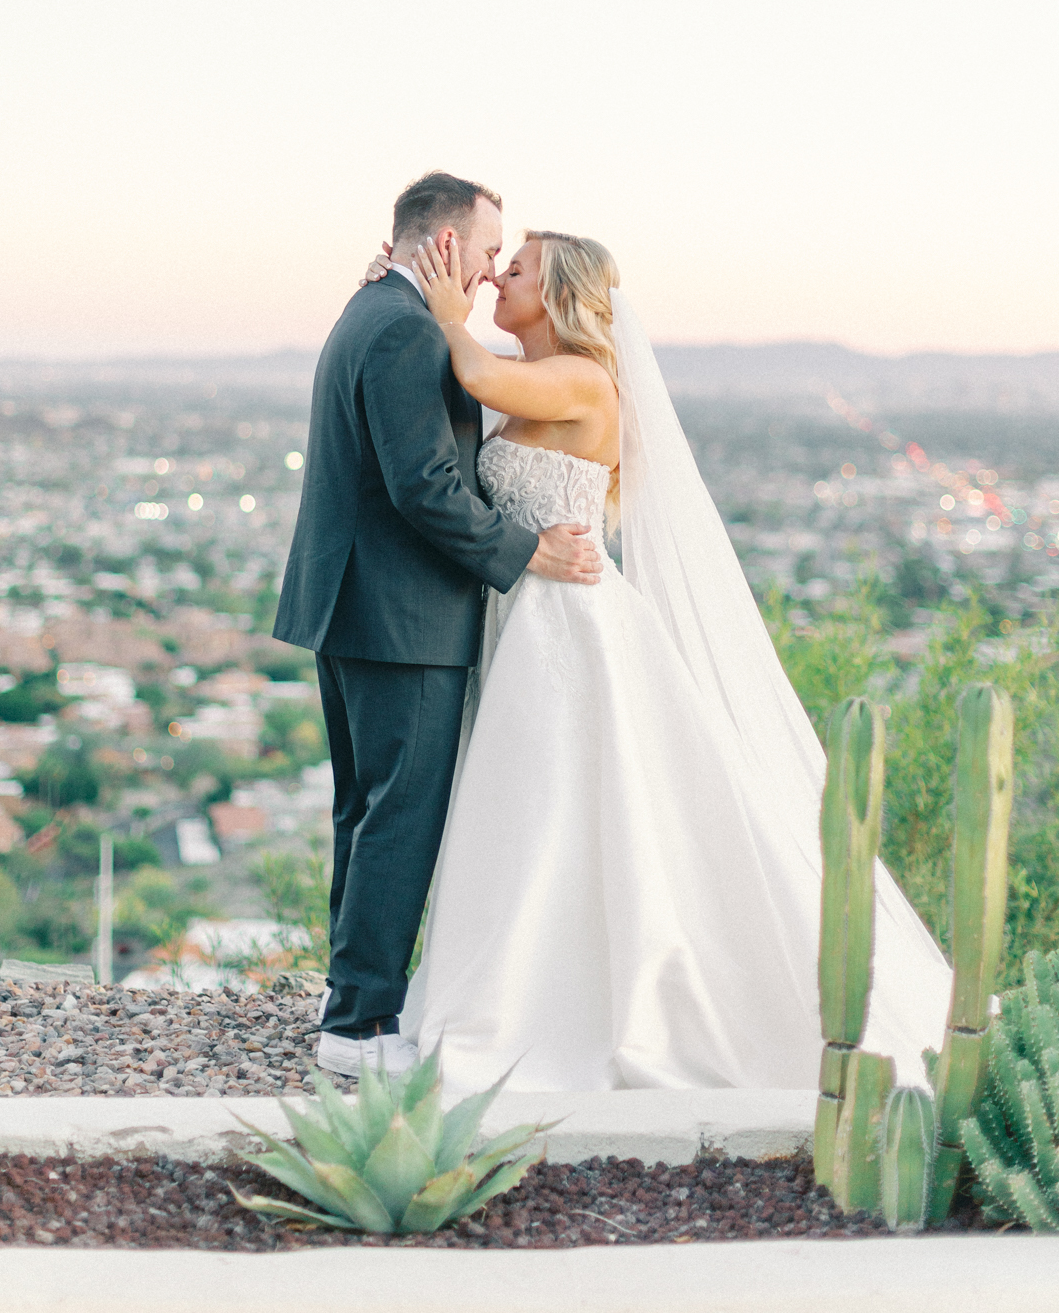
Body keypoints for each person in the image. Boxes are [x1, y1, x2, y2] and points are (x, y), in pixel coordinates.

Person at [361, 228, 952, 1094]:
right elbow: (470, 370)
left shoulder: (583, 378)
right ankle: (524, 985)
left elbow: (478, 375)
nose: (495, 279)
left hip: (569, 628)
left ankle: (564, 1007)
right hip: (526, 618)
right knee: (539, 813)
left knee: (557, 804)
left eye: (513, 269)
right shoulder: (539, 372)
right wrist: (410, 288)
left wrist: (439, 302)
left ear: (557, 294)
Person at [273, 172, 603, 1078]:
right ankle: (359, 1026)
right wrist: (530, 553)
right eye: (489, 251)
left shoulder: (372, 310)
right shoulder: (408, 331)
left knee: (367, 814)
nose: (494, 272)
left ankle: (353, 998)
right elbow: (426, 487)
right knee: (400, 818)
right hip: (402, 616)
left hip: (357, 610)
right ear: (446, 244)